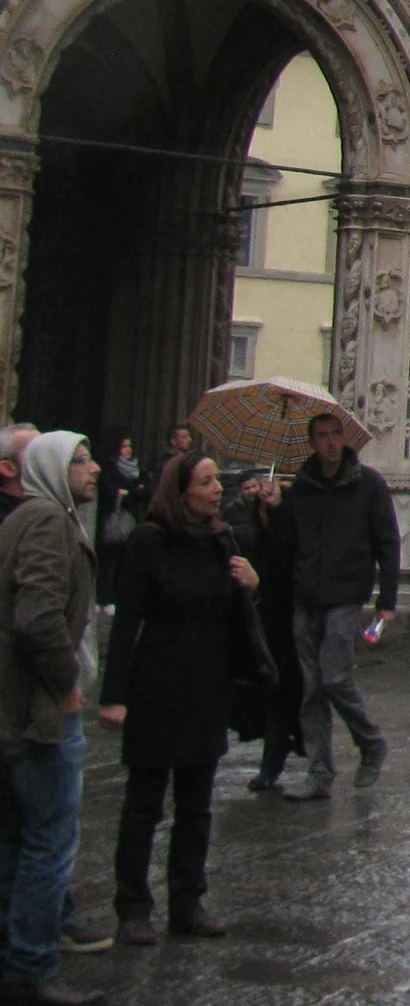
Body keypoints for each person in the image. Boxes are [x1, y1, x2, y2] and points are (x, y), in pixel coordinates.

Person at [98, 450, 265, 945]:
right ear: (182, 490)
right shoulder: (148, 542)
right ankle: (132, 908)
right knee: (144, 804)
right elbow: (128, 621)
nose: (218, 490)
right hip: (157, 681)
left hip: (206, 683)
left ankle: (187, 902)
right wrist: (114, 696)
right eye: (208, 482)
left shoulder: (222, 540)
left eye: (218, 482)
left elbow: (238, 616)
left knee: (197, 804)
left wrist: (252, 586)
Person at [0, 430, 111, 1005]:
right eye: (82, 461)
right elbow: (37, 616)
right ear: (50, 467)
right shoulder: (47, 521)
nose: (94, 470)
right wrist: (67, 683)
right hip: (40, 712)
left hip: (14, 710)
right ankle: (30, 966)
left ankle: (14, 959)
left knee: (17, 838)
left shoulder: (25, 516)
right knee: (49, 841)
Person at [280, 411, 398, 801]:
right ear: (312, 442)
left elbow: (388, 542)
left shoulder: (368, 484)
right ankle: (319, 773)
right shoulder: (301, 487)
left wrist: (387, 601)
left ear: (344, 439)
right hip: (306, 594)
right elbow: (286, 540)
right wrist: (268, 506)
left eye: (335, 435)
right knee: (311, 687)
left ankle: (371, 742)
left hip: (347, 593)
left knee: (334, 678)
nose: (330, 443)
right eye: (322, 436)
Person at [229, 471, 303, 790]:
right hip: (260, 622)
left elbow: (287, 573)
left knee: (283, 692)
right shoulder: (250, 528)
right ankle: (279, 749)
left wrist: (261, 585)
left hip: (288, 622)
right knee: (267, 693)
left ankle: (280, 754)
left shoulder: (290, 530)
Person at [93, 440, 144, 612]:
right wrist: (131, 492)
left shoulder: (136, 470)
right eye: (124, 446)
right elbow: (110, 491)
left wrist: (130, 492)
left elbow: (142, 493)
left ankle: (118, 596)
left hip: (130, 521)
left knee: (125, 562)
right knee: (108, 562)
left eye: (130, 446)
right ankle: (104, 598)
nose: (128, 450)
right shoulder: (109, 470)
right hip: (112, 520)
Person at [145, 426, 195, 501]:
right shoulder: (163, 463)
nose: (190, 440)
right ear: (173, 441)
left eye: (189, 436)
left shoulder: (188, 461)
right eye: (185, 437)